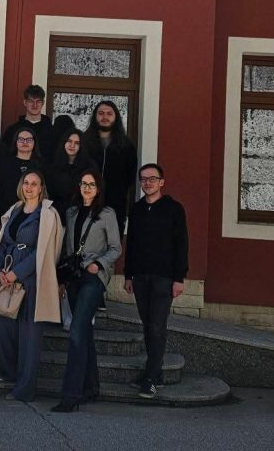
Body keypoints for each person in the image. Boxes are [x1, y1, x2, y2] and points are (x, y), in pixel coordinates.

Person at [0, 169, 63, 402]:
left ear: (41, 188)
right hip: (6, 275)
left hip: (32, 279)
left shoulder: (48, 214)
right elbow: (3, 242)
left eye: (34, 184)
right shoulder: (15, 210)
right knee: (4, 326)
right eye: (26, 183)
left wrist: (17, 273)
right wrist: (0, 269)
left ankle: (25, 388)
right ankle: (10, 374)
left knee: (30, 336)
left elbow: (43, 251)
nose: (29, 187)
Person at [51, 170, 122, 412]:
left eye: (91, 184)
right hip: (74, 277)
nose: (87, 188)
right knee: (85, 333)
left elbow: (115, 248)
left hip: (94, 277)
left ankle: (71, 395)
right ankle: (91, 387)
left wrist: (98, 264)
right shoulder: (71, 212)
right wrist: (62, 279)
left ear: (98, 188)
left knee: (77, 330)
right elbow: (66, 247)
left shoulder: (107, 214)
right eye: (83, 183)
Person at [124, 163, 189, 399]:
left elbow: (182, 244)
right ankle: (156, 372)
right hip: (140, 277)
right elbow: (131, 244)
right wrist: (128, 275)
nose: (147, 183)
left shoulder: (174, 209)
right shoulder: (137, 209)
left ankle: (150, 379)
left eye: (152, 178)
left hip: (164, 278)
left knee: (157, 326)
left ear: (162, 182)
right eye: (143, 179)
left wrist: (179, 278)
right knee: (147, 324)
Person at [83, 100, 138, 235]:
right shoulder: (84, 142)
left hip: (115, 206)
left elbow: (130, 177)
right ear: (95, 116)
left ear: (116, 117)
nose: (105, 117)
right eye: (101, 113)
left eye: (109, 114)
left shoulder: (127, 146)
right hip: (86, 204)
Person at [46, 129, 97, 222]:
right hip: (57, 215)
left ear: (81, 146)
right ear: (64, 143)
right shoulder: (54, 166)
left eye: (77, 143)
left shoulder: (89, 166)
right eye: (69, 141)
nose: (72, 145)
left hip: (81, 214)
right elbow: (49, 192)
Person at [0, 125, 42, 222]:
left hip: (34, 216)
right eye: (21, 139)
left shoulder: (41, 166)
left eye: (29, 140)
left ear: (34, 143)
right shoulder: (4, 163)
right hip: (7, 214)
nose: (25, 142)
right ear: (15, 142)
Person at [2, 85, 54, 161]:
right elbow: (6, 156)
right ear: (25, 102)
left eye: (38, 101)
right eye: (31, 101)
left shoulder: (52, 131)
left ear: (43, 103)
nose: (35, 105)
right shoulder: (12, 130)